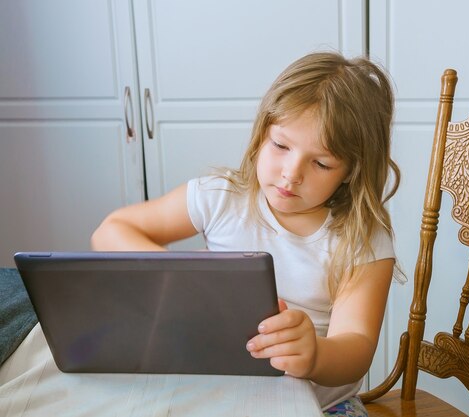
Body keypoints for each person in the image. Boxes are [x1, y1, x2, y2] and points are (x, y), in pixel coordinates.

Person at [91, 51, 401, 416]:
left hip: (320, 404)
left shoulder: (361, 239)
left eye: (320, 163)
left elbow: (357, 349)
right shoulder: (221, 197)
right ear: (261, 134)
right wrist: (179, 276)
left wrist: (315, 355)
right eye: (281, 146)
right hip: (218, 390)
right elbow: (110, 232)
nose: (291, 173)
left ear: (350, 171)